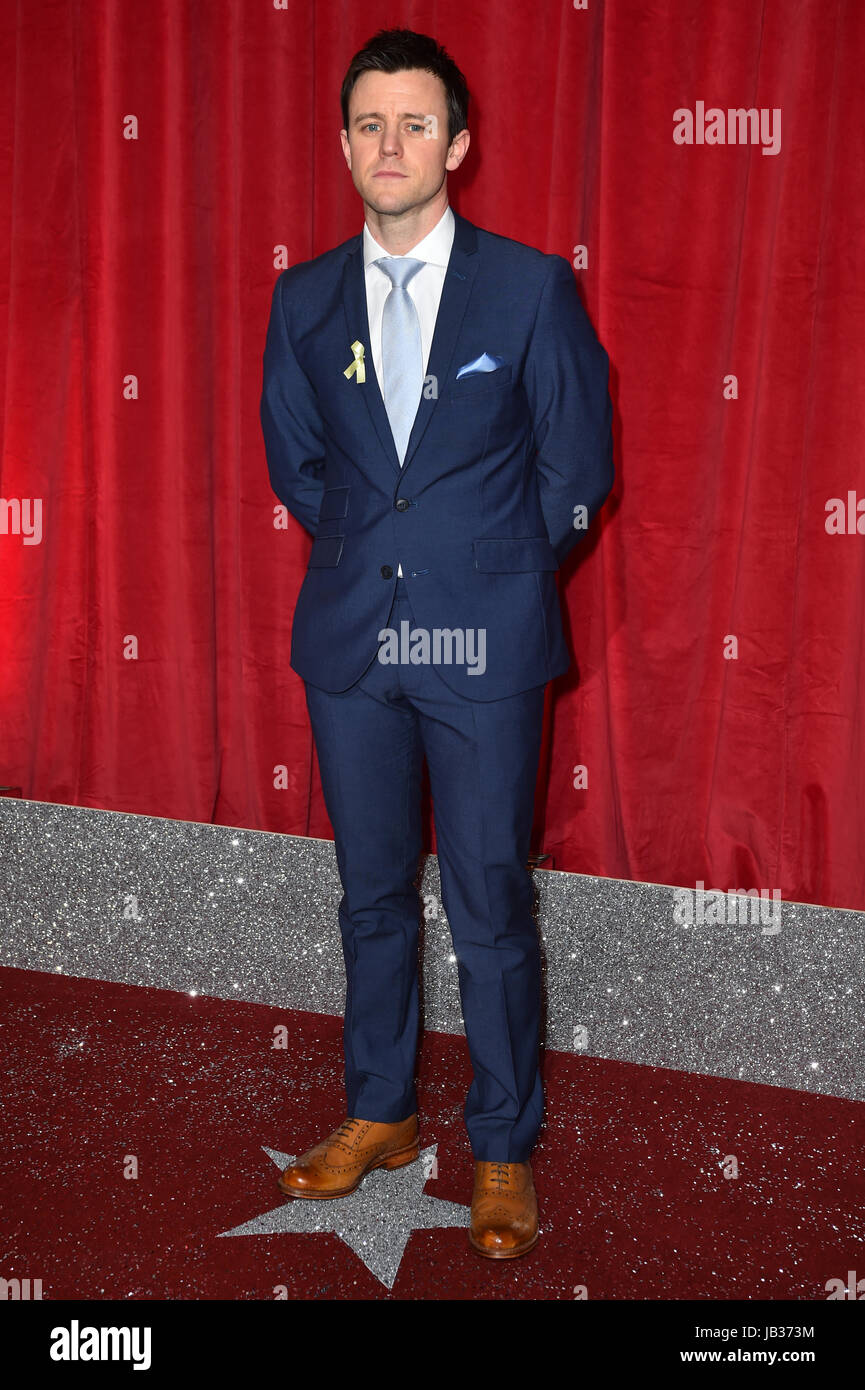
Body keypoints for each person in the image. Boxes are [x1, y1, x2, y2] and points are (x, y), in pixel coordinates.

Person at [260, 26, 613, 1259]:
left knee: (489, 900)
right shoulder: (301, 297)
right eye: (369, 124)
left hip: (489, 645)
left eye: (415, 123)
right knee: (368, 897)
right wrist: (381, 563)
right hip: (350, 642)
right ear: (345, 143)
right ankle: (382, 1110)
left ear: (457, 143)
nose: (390, 145)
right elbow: (299, 466)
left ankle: (503, 1143)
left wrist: (499, 580)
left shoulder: (529, 288)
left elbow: (580, 467)